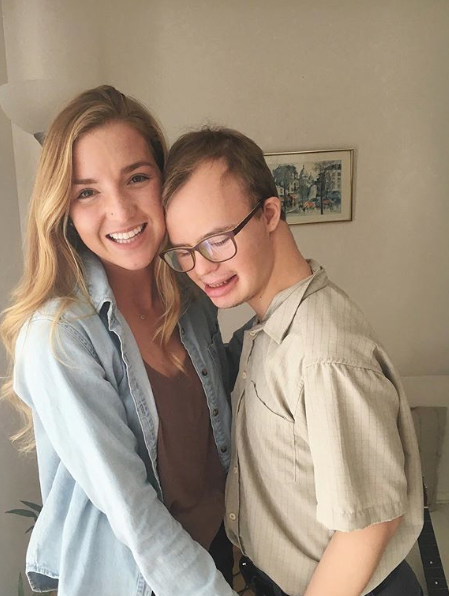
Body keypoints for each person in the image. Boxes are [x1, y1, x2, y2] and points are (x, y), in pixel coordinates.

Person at [160, 127, 424, 596]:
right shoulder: (266, 329)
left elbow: (368, 526)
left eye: (217, 239)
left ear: (269, 214)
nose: (202, 267)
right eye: (185, 252)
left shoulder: (323, 352)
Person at [0, 87, 241, 596]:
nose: (121, 210)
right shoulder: (59, 337)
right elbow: (134, 512)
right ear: (63, 208)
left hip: (211, 552)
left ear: (164, 181)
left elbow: (220, 409)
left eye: (136, 178)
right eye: (87, 192)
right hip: (133, 579)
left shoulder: (190, 300)